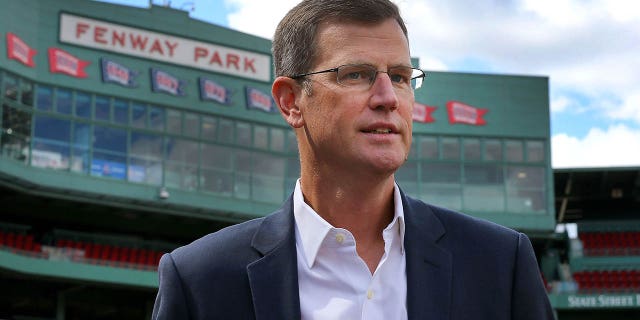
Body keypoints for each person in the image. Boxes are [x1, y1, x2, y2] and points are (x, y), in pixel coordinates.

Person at [152, 0, 555, 319]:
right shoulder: (199, 280)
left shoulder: (501, 264)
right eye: (356, 75)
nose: (387, 98)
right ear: (291, 101)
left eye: (399, 76)